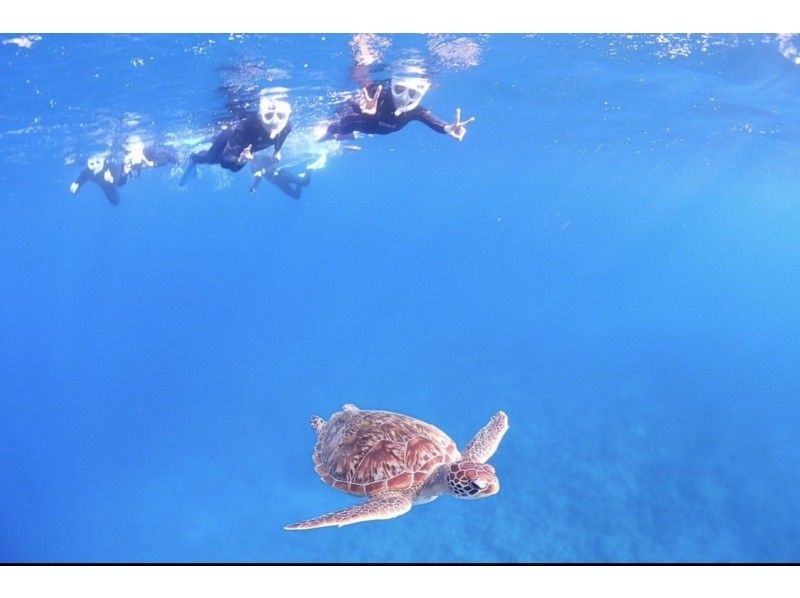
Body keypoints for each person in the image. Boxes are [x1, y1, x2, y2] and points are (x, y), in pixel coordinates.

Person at [318, 75, 474, 142]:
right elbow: (363, 86)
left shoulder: (416, 110)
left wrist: (448, 129)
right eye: (399, 89)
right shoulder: (381, 94)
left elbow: (436, 123)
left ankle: (341, 136)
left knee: (344, 123)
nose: (405, 98)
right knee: (339, 125)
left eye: (412, 93)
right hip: (365, 122)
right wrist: (359, 106)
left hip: (383, 129)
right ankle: (335, 136)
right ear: (393, 86)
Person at [180, 96, 293, 186]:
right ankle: (193, 158)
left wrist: (277, 151)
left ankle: (209, 139)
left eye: (281, 116)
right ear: (259, 116)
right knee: (212, 159)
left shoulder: (286, 127)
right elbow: (224, 161)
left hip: (246, 147)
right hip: (228, 136)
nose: (275, 121)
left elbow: (281, 137)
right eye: (268, 116)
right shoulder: (244, 129)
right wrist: (241, 161)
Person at [248, 158, 312, 199]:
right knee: (296, 196)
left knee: (305, 182)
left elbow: (276, 163)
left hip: (281, 174)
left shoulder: (262, 156)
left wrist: (263, 171)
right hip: (277, 182)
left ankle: (310, 167)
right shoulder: (252, 166)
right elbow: (258, 177)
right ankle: (300, 179)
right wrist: (254, 186)